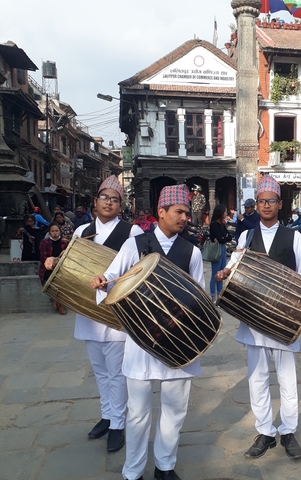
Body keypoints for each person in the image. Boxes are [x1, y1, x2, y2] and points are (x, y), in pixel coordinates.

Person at [92, 184, 204, 480]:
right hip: (141, 340)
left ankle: (164, 467)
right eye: (179, 212)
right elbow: (114, 277)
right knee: (138, 413)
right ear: (161, 212)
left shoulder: (191, 251)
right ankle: (133, 472)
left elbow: (200, 295)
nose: (184, 218)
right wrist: (105, 282)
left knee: (174, 411)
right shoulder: (135, 244)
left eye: (186, 213)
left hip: (179, 342)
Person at [216, 175, 301, 461]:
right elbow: (234, 265)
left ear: (279, 204)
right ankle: (264, 431)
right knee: (257, 378)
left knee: (287, 379)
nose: (265, 205)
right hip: (254, 318)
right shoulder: (246, 236)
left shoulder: (293, 236)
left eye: (270, 201)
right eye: (261, 201)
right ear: (256, 204)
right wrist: (225, 272)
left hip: (283, 319)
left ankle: (288, 431)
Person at [45, 175, 143, 453]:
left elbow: (137, 270)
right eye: (104, 197)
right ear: (95, 202)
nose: (109, 202)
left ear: (120, 204)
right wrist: (54, 260)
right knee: (100, 371)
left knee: (116, 372)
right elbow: (69, 264)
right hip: (88, 311)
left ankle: (118, 425)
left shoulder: (131, 232)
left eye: (114, 199)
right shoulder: (82, 231)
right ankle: (107, 415)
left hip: (114, 315)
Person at [39, 222, 69, 314]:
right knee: (54, 280)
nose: (55, 233)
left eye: (56, 231)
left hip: (62, 268)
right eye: (53, 231)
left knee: (64, 279)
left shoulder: (64, 242)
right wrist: (53, 261)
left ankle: (57, 301)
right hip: (48, 268)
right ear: (49, 232)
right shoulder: (44, 242)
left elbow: (69, 256)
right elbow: (43, 258)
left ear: (60, 231)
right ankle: (60, 305)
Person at [209, 204, 232, 302]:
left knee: (222, 273)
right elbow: (220, 239)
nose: (226, 213)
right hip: (216, 250)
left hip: (222, 249)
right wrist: (224, 238)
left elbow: (229, 237)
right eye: (225, 211)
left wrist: (224, 237)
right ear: (220, 212)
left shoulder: (222, 224)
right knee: (215, 274)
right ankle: (213, 296)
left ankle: (219, 294)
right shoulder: (214, 224)